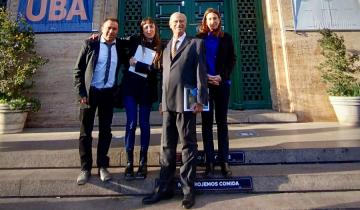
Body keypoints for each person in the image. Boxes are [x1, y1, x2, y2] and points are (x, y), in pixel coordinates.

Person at [142, 12, 208, 209]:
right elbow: (165, 78)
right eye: (175, 22)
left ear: (186, 25)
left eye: (182, 21)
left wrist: (200, 100)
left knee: (188, 146)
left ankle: (188, 190)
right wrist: (162, 102)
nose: (179, 24)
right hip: (168, 105)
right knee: (166, 147)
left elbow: (201, 73)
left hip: (187, 103)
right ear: (170, 25)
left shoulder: (195, 44)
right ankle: (165, 188)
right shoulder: (167, 45)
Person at [73, 17, 126, 185]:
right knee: (85, 133)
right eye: (109, 28)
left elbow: (136, 42)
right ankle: (85, 168)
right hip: (90, 94)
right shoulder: (90, 44)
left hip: (108, 94)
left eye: (115, 29)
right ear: (102, 28)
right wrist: (81, 93)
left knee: (105, 131)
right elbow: (78, 70)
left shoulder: (120, 45)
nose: (111, 31)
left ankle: (103, 166)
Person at [196, 8, 236, 178]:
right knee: (206, 123)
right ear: (205, 21)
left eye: (215, 18)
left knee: (222, 122)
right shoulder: (199, 39)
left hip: (222, 84)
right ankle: (209, 162)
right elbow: (195, 62)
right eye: (210, 19)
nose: (213, 21)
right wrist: (205, 77)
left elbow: (232, 60)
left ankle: (224, 161)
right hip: (205, 86)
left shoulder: (226, 38)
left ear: (219, 20)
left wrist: (221, 76)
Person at [122, 17, 162, 180]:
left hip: (147, 90)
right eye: (145, 27)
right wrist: (97, 36)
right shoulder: (133, 40)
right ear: (142, 29)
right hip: (130, 88)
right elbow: (117, 46)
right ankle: (129, 163)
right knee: (131, 124)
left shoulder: (160, 46)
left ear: (155, 28)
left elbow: (156, 69)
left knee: (145, 125)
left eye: (151, 26)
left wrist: (136, 64)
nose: (148, 29)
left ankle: (143, 163)